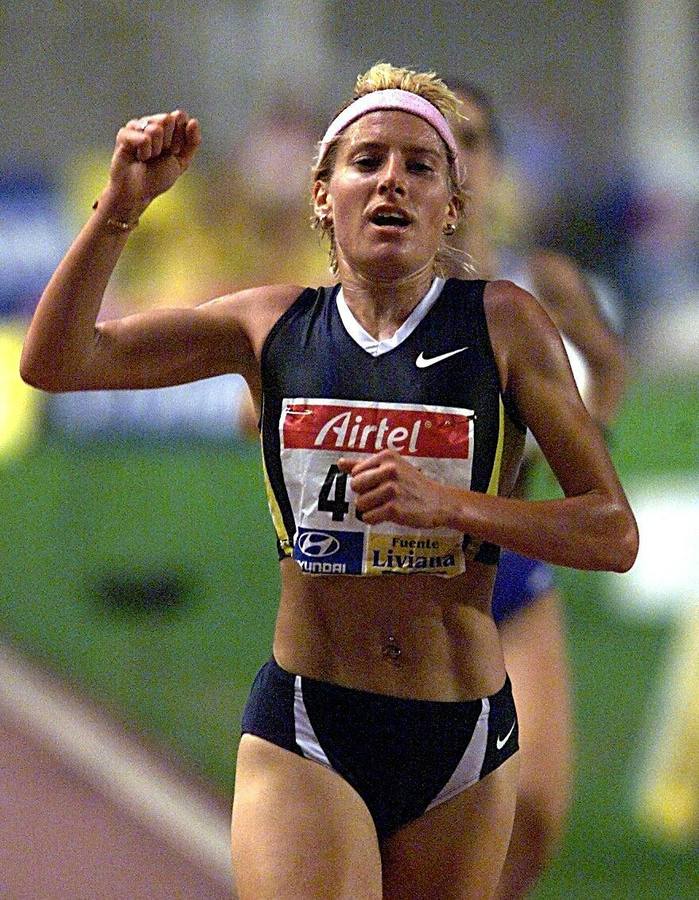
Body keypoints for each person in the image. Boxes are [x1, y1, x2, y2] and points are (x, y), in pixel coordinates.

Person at [20, 63, 638, 900]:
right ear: (323, 194)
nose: (392, 180)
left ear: (450, 206)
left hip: (458, 734)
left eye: (420, 166)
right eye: (366, 160)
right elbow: (56, 361)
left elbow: (610, 530)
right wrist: (122, 208)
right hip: (309, 723)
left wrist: (448, 506)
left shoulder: (503, 324)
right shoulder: (267, 324)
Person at [447, 82, 630, 898]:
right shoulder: (362, 283)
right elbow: (256, 407)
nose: (454, 155)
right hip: (390, 581)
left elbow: (609, 364)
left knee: (534, 820)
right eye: (434, 138)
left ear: (494, 162)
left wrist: (578, 450)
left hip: (512, 566)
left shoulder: (537, 280)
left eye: (471, 138)